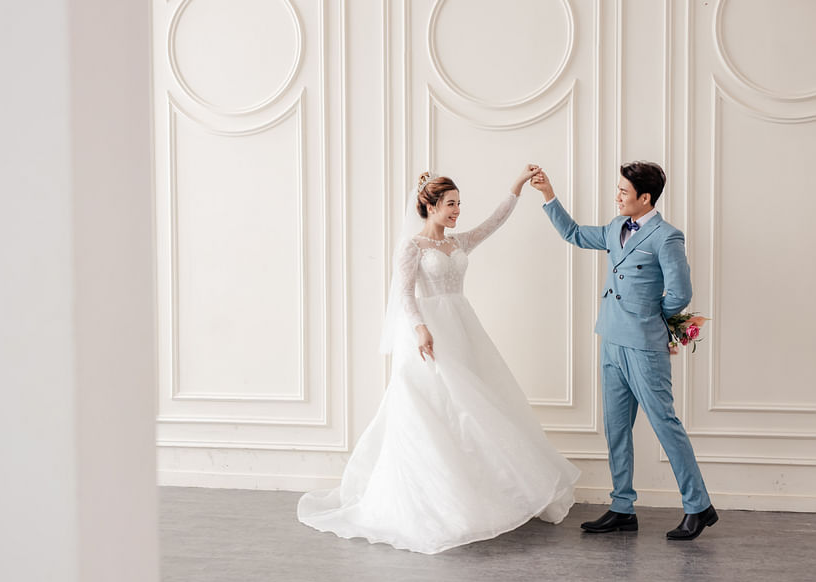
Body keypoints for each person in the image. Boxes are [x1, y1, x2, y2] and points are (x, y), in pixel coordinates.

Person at [297, 165, 580, 554]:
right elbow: (404, 293)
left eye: (459, 204)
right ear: (429, 206)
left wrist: (516, 186)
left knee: (472, 407)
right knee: (430, 409)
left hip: (462, 330)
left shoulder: (458, 242)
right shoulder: (411, 247)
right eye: (450, 204)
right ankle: (437, 502)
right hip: (428, 334)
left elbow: (495, 221)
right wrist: (419, 328)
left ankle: (480, 492)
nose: (457, 211)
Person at [532, 162, 717, 540]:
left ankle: (698, 506)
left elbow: (681, 294)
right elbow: (574, 233)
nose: (616, 196)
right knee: (616, 428)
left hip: (645, 345)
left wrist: (651, 318)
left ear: (645, 198)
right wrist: (548, 195)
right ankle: (622, 507)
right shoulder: (616, 227)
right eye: (617, 189)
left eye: (623, 191)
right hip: (611, 339)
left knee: (665, 423)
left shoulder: (667, 237)